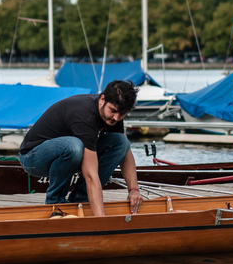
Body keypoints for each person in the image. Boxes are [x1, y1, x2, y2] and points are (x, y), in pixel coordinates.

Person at [18, 80, 143, 216]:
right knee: (74, 147)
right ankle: (56, 202)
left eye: (121, 114)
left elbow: (125, 152)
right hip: (33, 156)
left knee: (121, 142)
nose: (116, 118)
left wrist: (133, 190)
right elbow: (90, 175)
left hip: (67, 153)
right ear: (102, 99)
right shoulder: (85, 116)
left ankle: (81, 197)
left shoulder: (114, 117)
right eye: (113, 111)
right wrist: (101, 222)